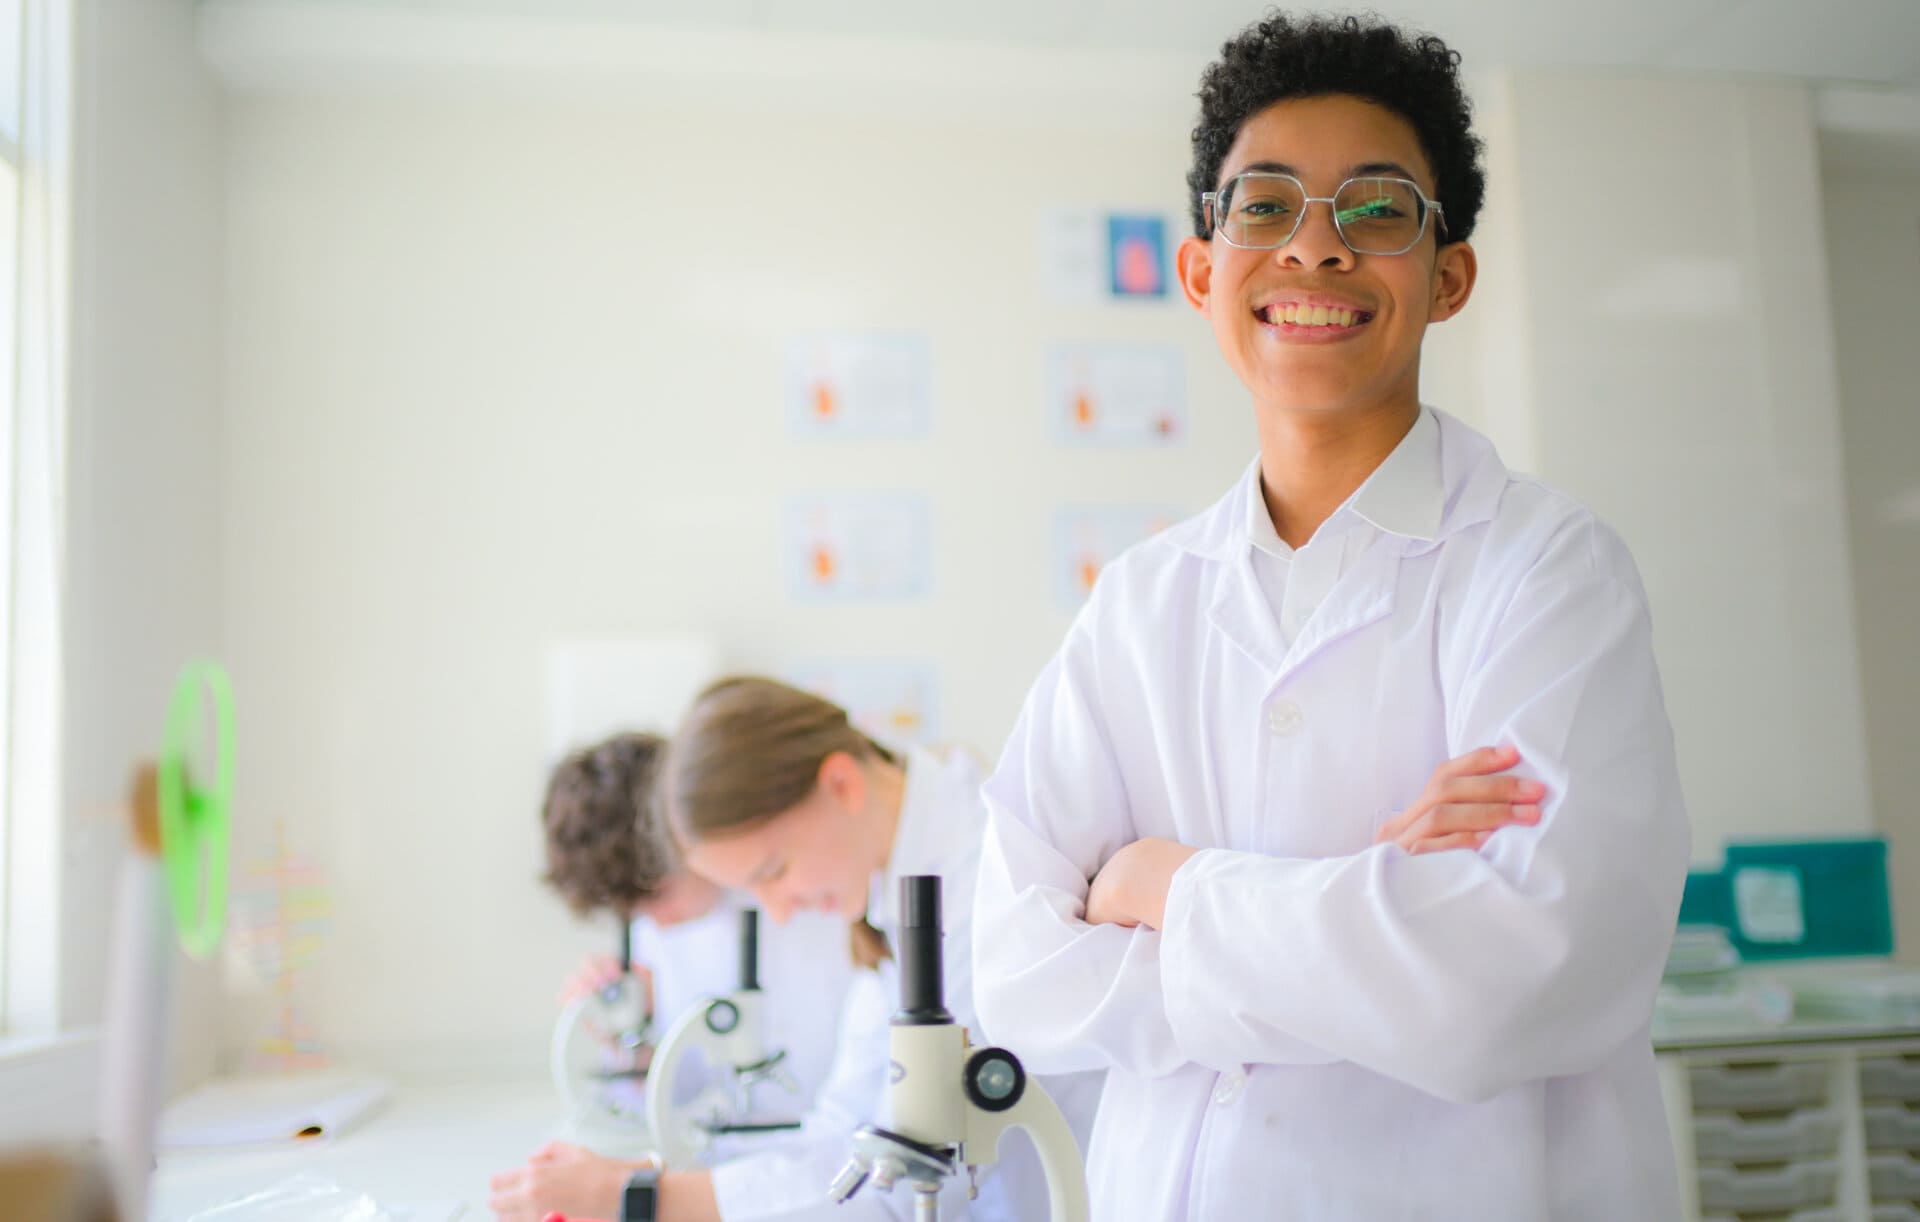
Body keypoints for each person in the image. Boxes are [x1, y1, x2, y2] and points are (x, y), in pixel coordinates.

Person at [971, 13, 1692, 1221]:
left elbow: (1512, 978)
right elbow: (1021, 975)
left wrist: (1168, 883)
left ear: (1447, 276)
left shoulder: (1550, 573)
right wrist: (1374, 912)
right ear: (1203, 269)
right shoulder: (1142, 605)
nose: (1315, 248)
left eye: (1375, 210)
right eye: (1264, 205)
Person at [489, 731, 854, 1221]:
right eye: (630, 908)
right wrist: (634, 1044)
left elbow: (837, 1130)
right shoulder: (656, 932)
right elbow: (691, 1100)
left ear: (689, 832)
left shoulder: (810, 904)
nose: (653, 921)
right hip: (725, 1188)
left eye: (657, 893)